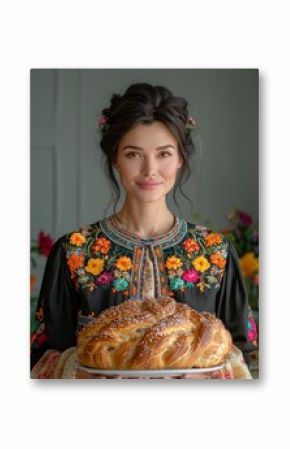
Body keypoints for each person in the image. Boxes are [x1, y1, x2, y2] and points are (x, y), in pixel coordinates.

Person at [30, 82, 257, 378]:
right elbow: (45, 358)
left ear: (180, 159)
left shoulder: (215, 252)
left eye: (163, 154)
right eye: (133, 154)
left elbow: (245, 354)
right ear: (115, 159)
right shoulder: (73, 252)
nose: (150, 169)